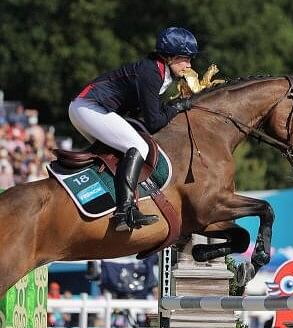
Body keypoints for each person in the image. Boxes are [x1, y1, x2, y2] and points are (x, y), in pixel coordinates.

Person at [69, 27, 197, 231]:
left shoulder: (160, 73)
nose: (189, 65)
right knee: (138, 146)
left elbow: (149, 117)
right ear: (170, 57)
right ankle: (124, 212)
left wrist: (174, 106)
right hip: (90, 107)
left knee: (123, 150)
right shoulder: (151, 73)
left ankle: (106, 200)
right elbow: (154, 122)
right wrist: (178, 107)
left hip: (87, 108)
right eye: (185, 59)